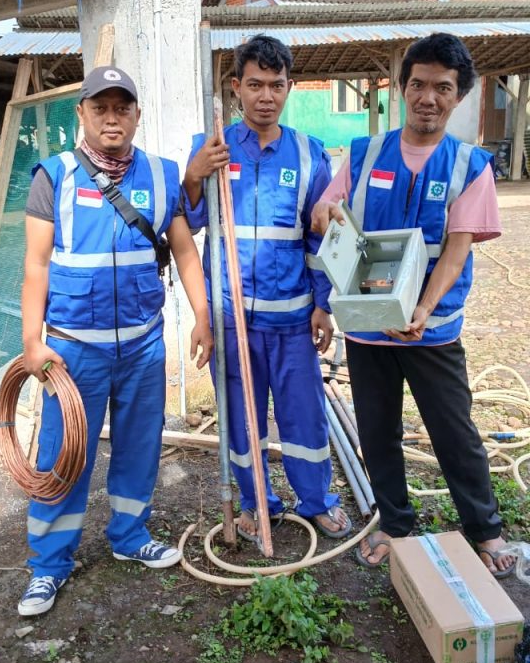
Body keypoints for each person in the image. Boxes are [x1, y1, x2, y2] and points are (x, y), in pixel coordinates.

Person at [311, 33, 515, 577]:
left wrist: (422, 310)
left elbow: (456, 250)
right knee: (378, 431)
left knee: (454, 431)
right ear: (402, 89)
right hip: (368, 323)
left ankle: (485, 529)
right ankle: (396, 523)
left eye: (442, 88)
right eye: (418, 84)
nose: (428, 97)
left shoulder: (469, 165)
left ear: (459, 96)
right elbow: (328, 207)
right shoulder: (364, 153)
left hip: (432, 328)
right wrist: (326, 213)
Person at [18, 66, 213, 616]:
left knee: (140, 444)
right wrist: (32, 341)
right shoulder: (54, 176)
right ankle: (49, 564)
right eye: (100, 108)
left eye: (121, 108)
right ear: (80, 113)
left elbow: (185, 252)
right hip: (73, 349)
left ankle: (129, 535)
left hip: (143, 346)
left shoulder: (161, 174)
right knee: (65, 454)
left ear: (136, 115)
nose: (111, 118)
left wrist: (202, 315)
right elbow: (35, 265)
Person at [182, 34, 351, 542]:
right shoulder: (212, 148)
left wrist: (323, 306)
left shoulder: (308, 154)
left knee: (304, 417)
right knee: (241, 421)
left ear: (289, 87)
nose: (266, 96)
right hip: (230, 319)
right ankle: (257, 503)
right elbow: (190, 223)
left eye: (276, 85)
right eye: (255, 85)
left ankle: (317, 501)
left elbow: (317, 236)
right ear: (236, 87)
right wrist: (193, 177)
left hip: (292, 319)